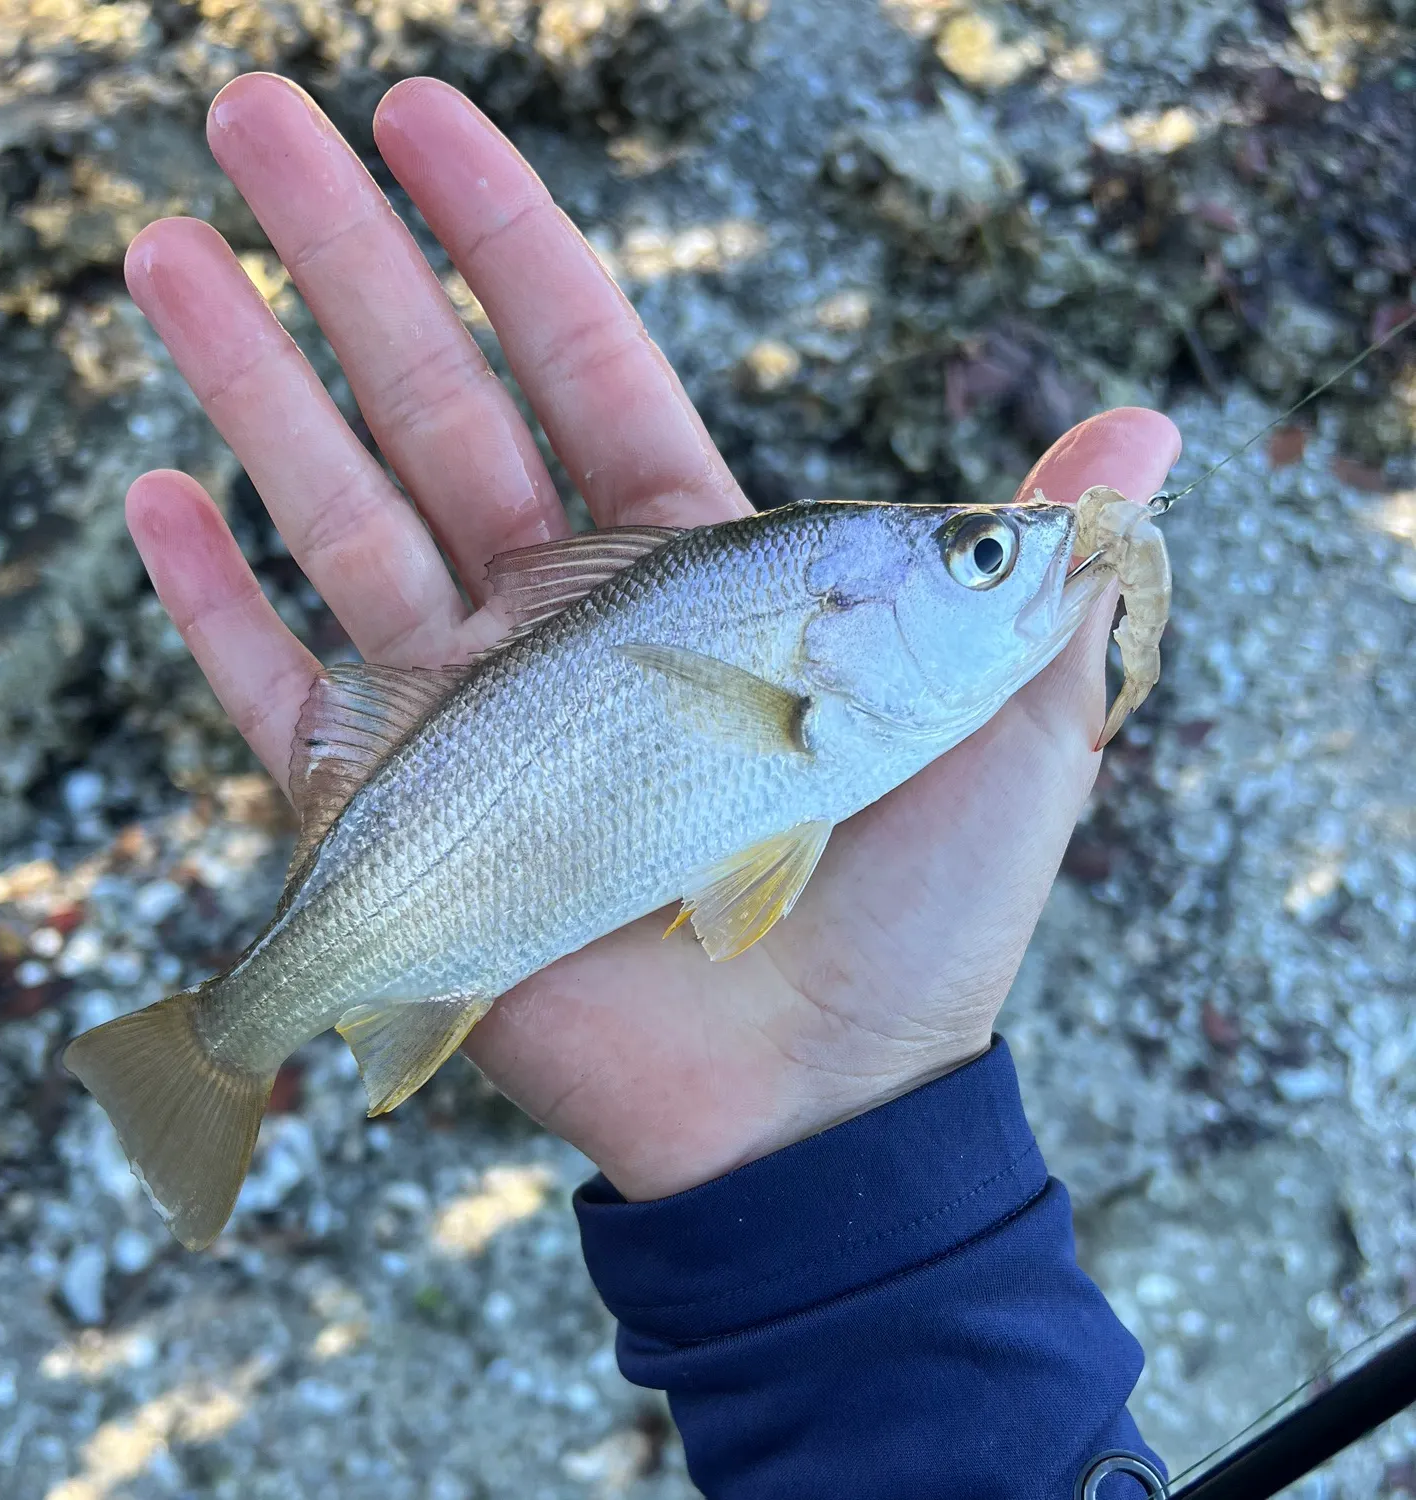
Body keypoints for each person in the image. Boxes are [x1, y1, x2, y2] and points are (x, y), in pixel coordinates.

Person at [121, 71, 1180, 1499]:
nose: (1031, 555)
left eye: (984, 550)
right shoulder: (834, 693)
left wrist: (844, 1092)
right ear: (839, 624)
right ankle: (220, 1039)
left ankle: (221, 1040)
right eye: (982, 554)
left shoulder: (850, 700)